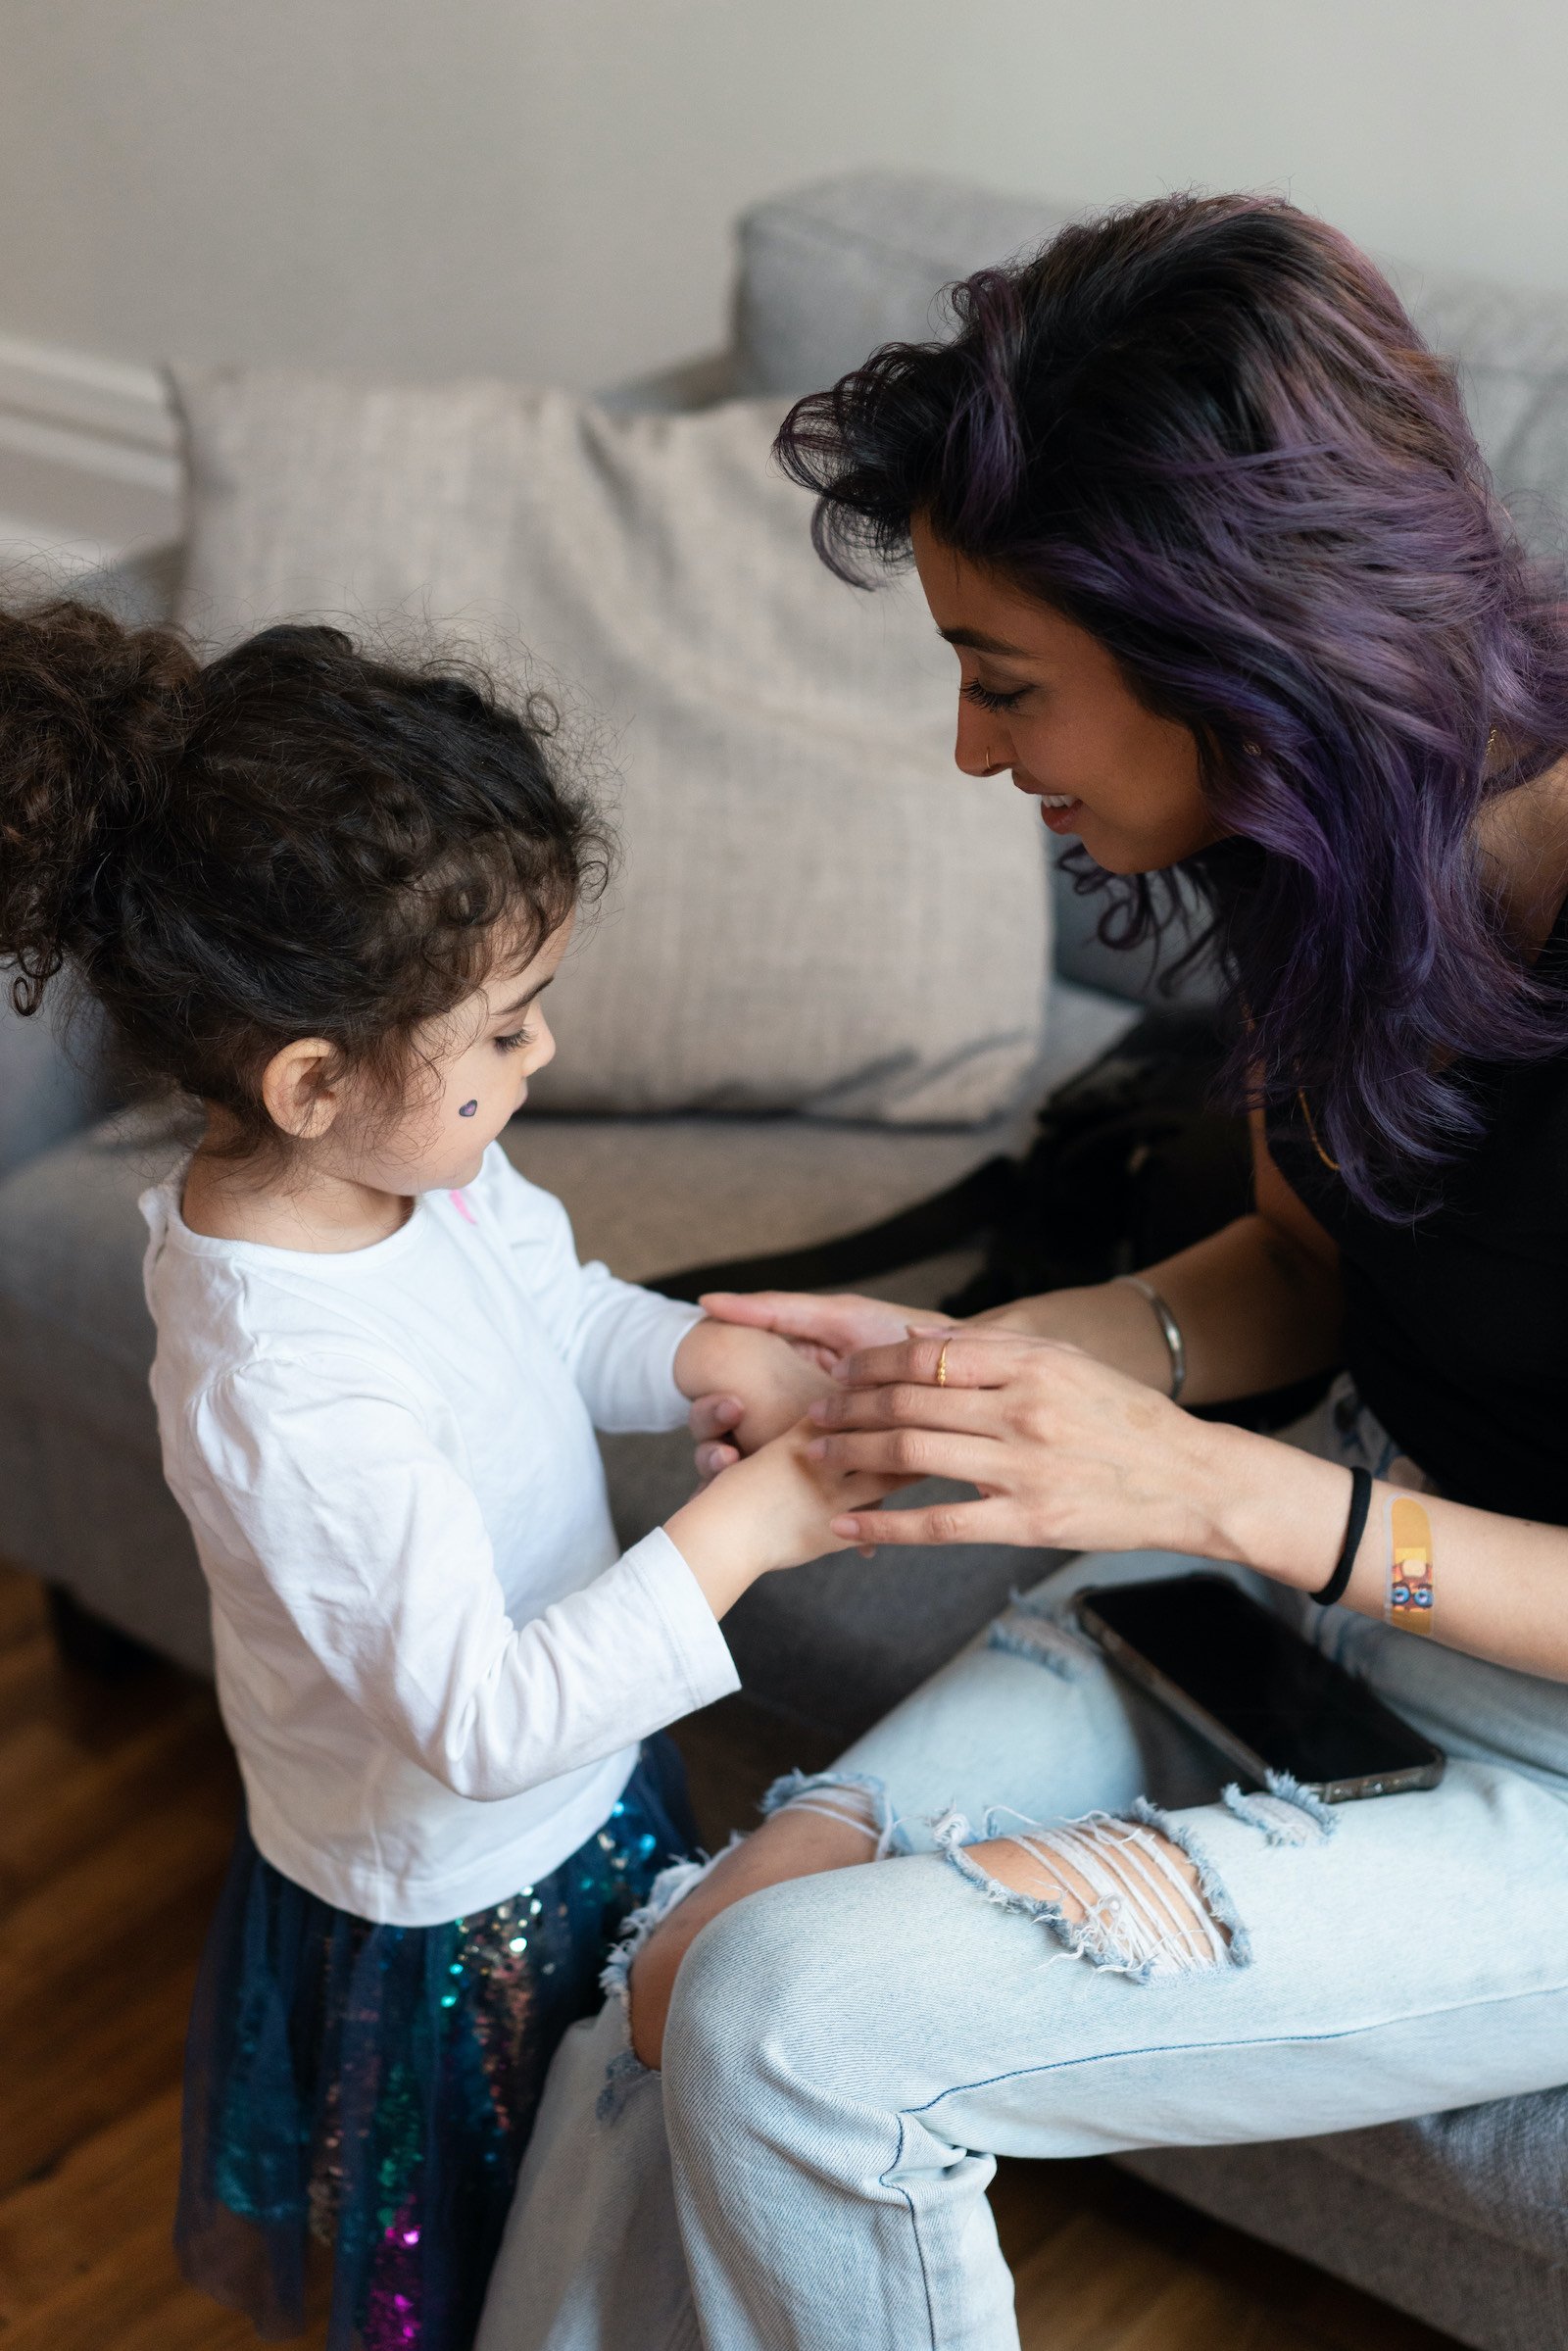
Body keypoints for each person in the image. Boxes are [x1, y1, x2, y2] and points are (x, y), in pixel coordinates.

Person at [475, 193, 1568, 2351]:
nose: (977, 756)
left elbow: (1250, 1479)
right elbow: (1287, 1262)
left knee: (795, 2023)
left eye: (1003, 684)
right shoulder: (1312, 849)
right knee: (695, 1959)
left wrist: (1212, 1492)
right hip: (1307, 1581)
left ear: (1232, 656)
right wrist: (1003, 1368)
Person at [0, 605, 900, 2351]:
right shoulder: (290, 1389)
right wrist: (750, 1524)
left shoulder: (421, 1180)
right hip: (451, 1910)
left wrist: (695, 1353)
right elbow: (480, 1720)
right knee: (494, 2267)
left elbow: (551, 1312)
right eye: (503, 1031)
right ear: (316, 1081)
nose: (540, 1056)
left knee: (614, 2188)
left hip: (581, 1790)